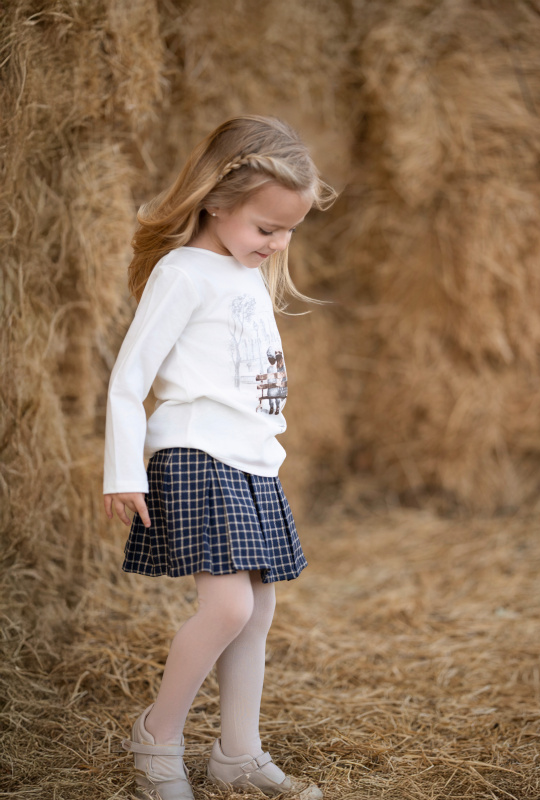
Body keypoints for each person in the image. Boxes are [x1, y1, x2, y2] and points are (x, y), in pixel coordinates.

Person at [103, 116, 336, 800]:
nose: (278, 243)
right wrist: (122, 469)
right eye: (267, 228)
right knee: (229, 608)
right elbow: (129, 378)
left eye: (288, 229)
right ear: (216, 201)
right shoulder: (182, 273)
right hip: (194, 453)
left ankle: (238, 752)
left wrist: (268, 451)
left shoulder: (245, 274)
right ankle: (157, 736)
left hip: (249, 461)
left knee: (258, 609)